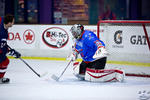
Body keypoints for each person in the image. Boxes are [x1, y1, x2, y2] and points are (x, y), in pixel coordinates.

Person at [0, 14, 21, 83]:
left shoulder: (2, 20)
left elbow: (3, 45)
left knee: (5, 61)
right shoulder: (2, 34)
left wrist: (11, 51)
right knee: (4, 60)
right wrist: (11, 52)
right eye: (13, 22)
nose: (13, 23)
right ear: (9, 23)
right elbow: (2, 49)